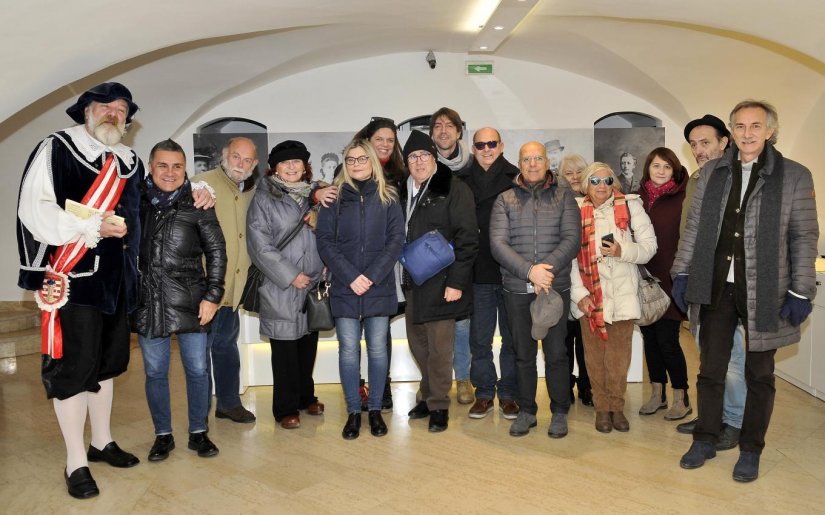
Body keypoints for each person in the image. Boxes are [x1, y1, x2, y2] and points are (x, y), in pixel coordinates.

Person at [674, 100, 818, 482]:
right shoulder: (712, 174)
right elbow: (694, 230)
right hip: (716, 285)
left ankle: (751, 448)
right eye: (740, 126)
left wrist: (802, 291)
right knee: (710, 370)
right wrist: (682, 272)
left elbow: (804, 236)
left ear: (770, 131)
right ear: (732, 132)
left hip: (767, 288)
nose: (747, 133)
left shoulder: (795, 176)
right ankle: (705, 437)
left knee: (759, 374)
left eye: (756, 126)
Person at [16, 82, 145, 499]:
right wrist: (89, 227)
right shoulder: (56, 148)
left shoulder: (128, 160)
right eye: (105, 106)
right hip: (72, 280)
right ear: (85, 110)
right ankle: (76, 461)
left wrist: (194, 190)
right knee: (74, 370)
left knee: (105, 366)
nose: (113, 113)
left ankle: (102, 441)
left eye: (121, 108)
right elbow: (34, 208)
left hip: (116, 281)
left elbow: (145, 208)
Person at [133, 139, 226, 461]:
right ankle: (163, 435)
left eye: (177, 166)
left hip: (192, 300)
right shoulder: (135, 202)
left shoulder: (199, 202)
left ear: (185, 169)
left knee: (198, 370)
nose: (170, 172)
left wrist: (213, 295)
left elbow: (217, 252)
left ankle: (198, 432)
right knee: (155, 372)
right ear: (151, 166)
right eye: (162, 165)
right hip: (148, 301)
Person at [489, 141, 581, 438]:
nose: (531, 164)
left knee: (556, 354)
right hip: (516, 289)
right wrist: (530, 271)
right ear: (519, 162)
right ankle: (527, 411)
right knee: (522, 354)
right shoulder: (504, 200)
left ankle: (559, 412)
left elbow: (571, 239)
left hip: (555, 289)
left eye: (537, 158)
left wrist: (544, 272)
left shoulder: (565, 196)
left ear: (546, 162)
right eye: (526, 159)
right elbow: (498, 244)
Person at [316, 140, 404, 439]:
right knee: (349, 353)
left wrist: (372, 276)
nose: (356, 164)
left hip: (378, 287)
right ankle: (354, 411)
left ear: (373, 162)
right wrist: (352, 277)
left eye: (362, 159)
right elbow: (325, 242)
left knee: (379, 351)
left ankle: (376, 410)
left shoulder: (389, 196)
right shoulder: (333, 199)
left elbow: (395, 241)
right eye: (351, 160)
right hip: (345, 286)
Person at [570, 162, 657, 433]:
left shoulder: (631, 206)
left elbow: (649, 248)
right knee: (594, 358)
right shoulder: (574, 210)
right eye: (594, 181)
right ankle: (601, 408)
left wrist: (622, 250)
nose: (601, 186)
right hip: (589, 297)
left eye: (607, 181)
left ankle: (617, 408)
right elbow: (568, 258)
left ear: (614, 184)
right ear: (586, 185)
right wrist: (579, 294)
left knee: (618, 358)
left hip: (622, 296)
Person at [402, 130, 478, 432]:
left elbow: (468, 239)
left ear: (434, 159)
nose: (418, 162)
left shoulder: (454, 189)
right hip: (411, 282)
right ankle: (428, 394)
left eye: (423, 156)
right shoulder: (401, 190)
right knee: (418, 344)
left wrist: (456, 282)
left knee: (440, 348)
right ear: (406, 163)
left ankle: (439, 405)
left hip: (443, 282)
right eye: (412, 157)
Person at [246, 140, 326, 430]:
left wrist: (325, 264)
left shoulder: (317, 195)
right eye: (285, 162)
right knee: (284, 351)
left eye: (297, 162)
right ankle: (285, 407)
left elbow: (331, 233)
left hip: (314, 283)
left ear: (305, 166)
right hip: (280, 286)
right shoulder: (263, 198)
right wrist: (291, 274)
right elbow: (259, 245)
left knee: (308, 345)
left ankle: (307, 397)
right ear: (274, 168)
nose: (292, 167)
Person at [676, 115, 743, 450]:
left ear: (724, 142)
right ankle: (710, 418)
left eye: (706, 143)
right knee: (708, 357)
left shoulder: (737, 178)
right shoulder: (697, 179)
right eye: (694, 144)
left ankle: (734, 421)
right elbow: (690, 233)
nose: (699, 150)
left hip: (729, 285)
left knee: (732, 361)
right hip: (701, 283)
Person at [193, 137, 260, 424]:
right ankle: (199, 414)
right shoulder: (200, 185)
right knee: (198, 356)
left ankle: (229, 403)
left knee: (226, 347)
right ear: (224, 156)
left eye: (247, 161)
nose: (240, 165)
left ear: (254, 164)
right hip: (204, 289)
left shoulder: (252, 190)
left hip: (234, 289)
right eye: (236, 157)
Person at [456, 127, 520, 420]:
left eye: (491, 143)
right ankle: (483, 393)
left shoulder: (516, 177)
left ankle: (508, 393)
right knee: (479, 340)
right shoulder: (461, 178)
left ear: (501, 146)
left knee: (511, 337)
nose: (486, 149)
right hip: (477, 270)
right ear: (473, 148)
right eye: (480, 144)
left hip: (509, 271)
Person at [349, 117, 408, 412]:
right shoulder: (349, 171)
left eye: (390, 140)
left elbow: (399, 230)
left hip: (387, 267)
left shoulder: (400, 175)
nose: (385, 144)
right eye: (379, 139)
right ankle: (358, 388)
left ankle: (381, 389)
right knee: (350, 340)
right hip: (351, 270)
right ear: (367, 141)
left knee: (379, 334)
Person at [636, 148, 691, 421]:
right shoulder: (637, 198)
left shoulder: (683, 197)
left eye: (666, 167)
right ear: (648, 168)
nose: (660, 171)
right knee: (650, 340)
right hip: (644, 279)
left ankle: (682, 396)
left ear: (675, 170)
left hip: (671, 279)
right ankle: (657, 393)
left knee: (668, 341)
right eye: (656, 165)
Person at [429, 107, 474, 404]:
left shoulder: (471, 168)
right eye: (438, 126)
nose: (443, 130)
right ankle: (436, 382)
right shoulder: (423, 166)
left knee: (461, 323)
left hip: (464, 256)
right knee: (433, 328)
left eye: (450, 125)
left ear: (459, 132)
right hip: (430, 259)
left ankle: (464, 379)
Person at [557, 154, 593, 406]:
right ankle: (565, 386)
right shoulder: (556, 201)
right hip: (563, 276)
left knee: (586, 340)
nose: (575, 177)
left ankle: (588, 386)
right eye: (568, 173)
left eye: (579, 172)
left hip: (588, 277)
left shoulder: (597, 199)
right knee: (563, 340)